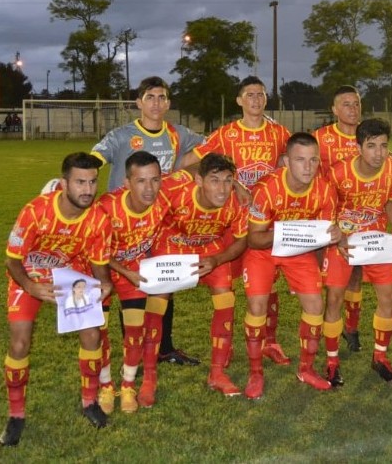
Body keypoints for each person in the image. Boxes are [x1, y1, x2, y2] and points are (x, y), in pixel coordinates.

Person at [0, 152, 114, 447]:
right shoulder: (35, 211)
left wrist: (104, 283)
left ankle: (89, 402)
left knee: (92, 335)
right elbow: (12, 260)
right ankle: (16, 415)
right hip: (30, 274)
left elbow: (99, 262)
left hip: (72, 274)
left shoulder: (99, 219)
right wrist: (31, 287)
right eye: (79, 182)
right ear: (64, 183)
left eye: (92, 182)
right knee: (19, 341)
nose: (87, 190)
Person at [91, 75, 205, 367]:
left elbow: (213, 146)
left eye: (162, 97)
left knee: (164, 282)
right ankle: (136, 354)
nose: (156, 103)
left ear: (169, 103)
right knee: (128, 288)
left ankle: (164, 348)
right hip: (122, 222)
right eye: (150, 97)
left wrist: (183, 170)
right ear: (138, 102)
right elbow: (94, 159)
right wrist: (69, 179)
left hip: (160, 221)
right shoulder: (122, 135)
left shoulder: (178, 133)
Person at [181, 76, 292, 365]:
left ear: (266, 99)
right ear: (239, 100)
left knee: (269, 284)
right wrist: (231, 185)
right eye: (249, 95)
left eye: (260, 94)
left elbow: (286, 166)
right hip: (232, 221)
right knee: (226, 285)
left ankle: (270, 341)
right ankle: (225, 346)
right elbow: (187, 163)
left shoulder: (280, 133)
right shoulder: (226, 134)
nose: (255, 99)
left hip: (265, 220)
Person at [242, 132, 342, 399]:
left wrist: (332, 236)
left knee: (315, 304)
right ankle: (255, 372)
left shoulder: (325, 190)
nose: (308, 167)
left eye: (313, 160)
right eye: (300, 160)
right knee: (256, 306)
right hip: (264, 250)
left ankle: (306, 369)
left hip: (299, 252)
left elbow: (321, 239)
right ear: (286, 161)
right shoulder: (266, 188)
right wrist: (288, 231)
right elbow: (254, 238)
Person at [142, 153, 248, 401]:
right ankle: (148, 378)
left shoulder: (235, 202)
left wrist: (218, 260)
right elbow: (145, 206)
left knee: (226, 298)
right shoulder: (174, 188)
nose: (222, 189)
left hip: (210, 249)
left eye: (227, 180)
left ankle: (217, 373)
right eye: (215, 180)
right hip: (173, 243)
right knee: (157, 301)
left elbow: (242, 240)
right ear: (199, 180)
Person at [323, 118, 392, 385]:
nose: (379, 153)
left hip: (375, 240)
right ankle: (332, 362)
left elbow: (391, 202)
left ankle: (380, 357)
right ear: (358, 146)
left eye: (383, 146)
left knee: (388, 295)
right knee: (335, 298)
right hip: (344, 241)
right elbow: (325, 209)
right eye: (371, 146)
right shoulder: (338, 172)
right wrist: (339, 237)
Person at [95, 151, 170, 414]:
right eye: (141, 181)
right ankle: (105, 386)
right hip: (99, 270)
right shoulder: (106, 207)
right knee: (99, 333)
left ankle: (127, 385)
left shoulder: (163, 204)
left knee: (134, 330)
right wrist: (123, 271)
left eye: (155, 180)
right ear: (126, 183)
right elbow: (94, 251)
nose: (149, 188)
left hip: (133, 273)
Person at [312, 85, 365, 352]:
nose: (353, 109)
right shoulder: (320, 138)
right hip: (330, 218)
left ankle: (352, 327)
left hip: (363, 217)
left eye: (356, 103)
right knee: (330, 279)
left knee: (356, 274)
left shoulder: (367, 136)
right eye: (346, 104)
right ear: (334, 110)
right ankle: (328, 325)